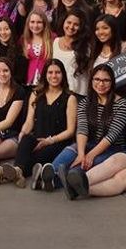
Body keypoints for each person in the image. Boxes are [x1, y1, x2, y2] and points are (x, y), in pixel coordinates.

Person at [47, 64, 126, 189]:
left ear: (112, 82)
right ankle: (50, 175)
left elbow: (111, 136)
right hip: (89, 144)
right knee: (71, 150)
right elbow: (82, 129)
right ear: (91, 81)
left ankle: (61, 179)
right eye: (97, 79)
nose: (101, 84)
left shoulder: (121, 104)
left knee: (87, 164)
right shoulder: (85, 103)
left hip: (112, 148)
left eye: (106, 80)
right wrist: (81, 153)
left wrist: (90, 155)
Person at [15, 59, 77, 187]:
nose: (54, 76)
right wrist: (23, 132)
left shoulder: (70, 98)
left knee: (41, 154)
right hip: (38, 137)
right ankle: (18, 171)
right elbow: (29, 121)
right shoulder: (36, 94)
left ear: (63, 75)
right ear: (45, 74)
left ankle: (15, 172)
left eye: (57, 72)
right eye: (50, 72)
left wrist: (50, 140)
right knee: (25, 140)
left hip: (57, 141)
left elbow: (70, 131)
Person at [52, 10, 91, 97]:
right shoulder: (55, 42)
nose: (71, 27)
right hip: (59, 93)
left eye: (76, 24)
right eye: (68, 22)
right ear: (63, 22)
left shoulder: (86, 46)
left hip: (80, 93)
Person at [20, 10, 53, 86]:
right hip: (29, 81)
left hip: (47, 80)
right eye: (32, 22)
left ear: (44, 24)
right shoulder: (23, 39)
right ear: (28, 23)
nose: (35, 25)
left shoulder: (52, 38)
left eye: (39, 22)